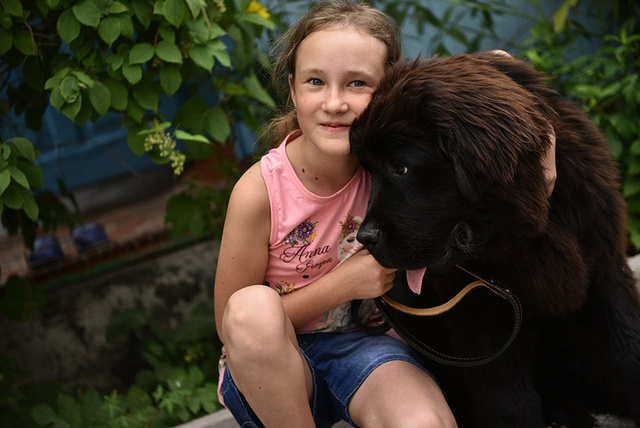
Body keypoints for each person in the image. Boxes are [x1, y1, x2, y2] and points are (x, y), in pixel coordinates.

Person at [213, 0, 458, 427]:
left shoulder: (393, 171)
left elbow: (498, 72)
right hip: (273, 369)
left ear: (390, 89)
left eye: (357, 84)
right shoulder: (260, 192)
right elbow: (232, 327)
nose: (334, 102)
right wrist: (342, 285)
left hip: (368, 350)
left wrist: (547, 152)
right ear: (292, 89)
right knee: (250, 308)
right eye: (315, 82)